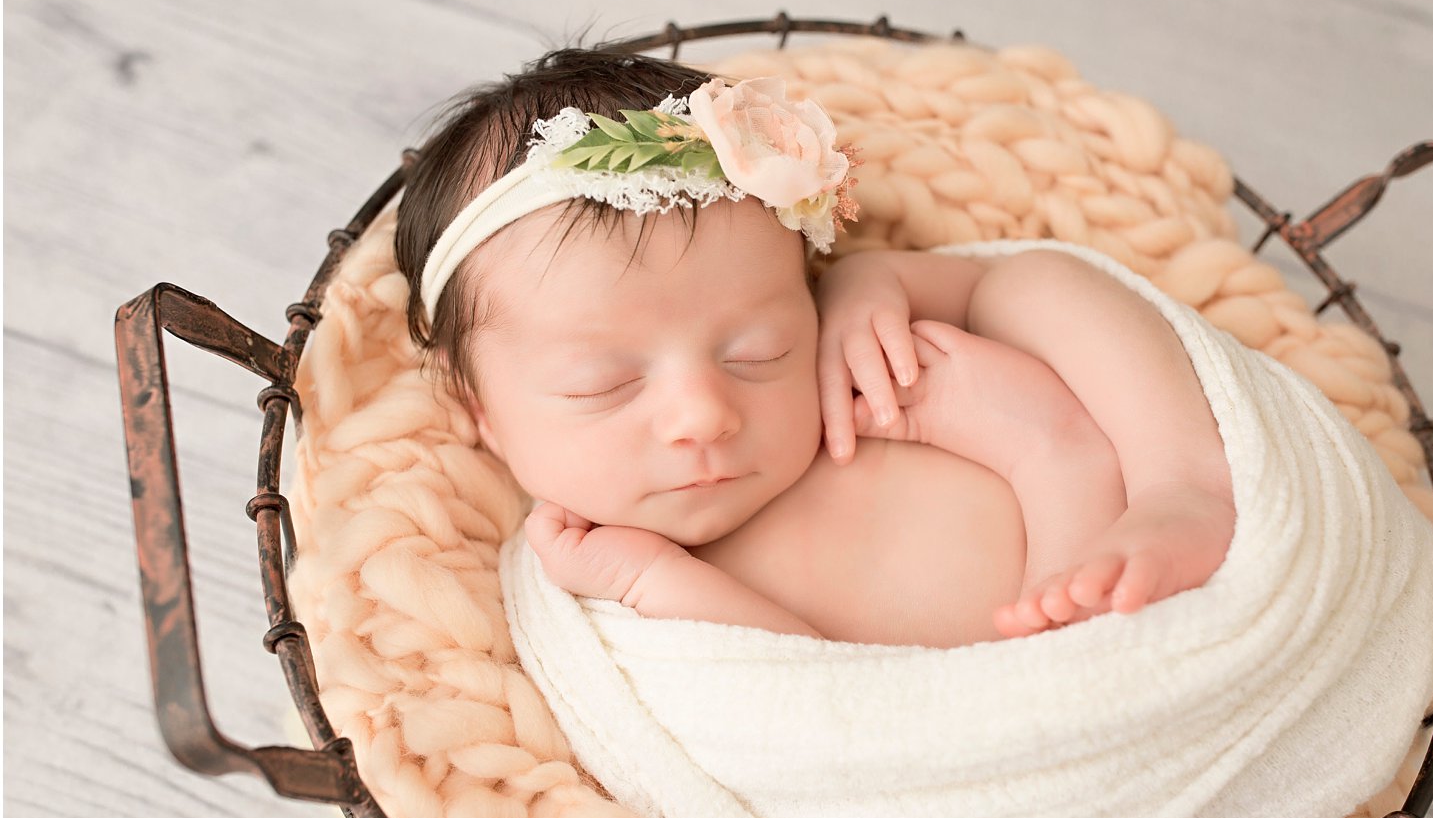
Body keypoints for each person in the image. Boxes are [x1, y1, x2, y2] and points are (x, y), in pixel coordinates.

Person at [395, 47, 1236, 648]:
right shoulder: (600, 575)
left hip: (1138, 535)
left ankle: (1188, 483)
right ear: (481, 411)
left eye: (758, 351)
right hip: (1051, 680)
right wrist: (652, 583)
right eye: (603, 384)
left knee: (1043, 281)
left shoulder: (847, 346)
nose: (705, 415)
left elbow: (999, 288)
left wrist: (882, 286)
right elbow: (812, 710)